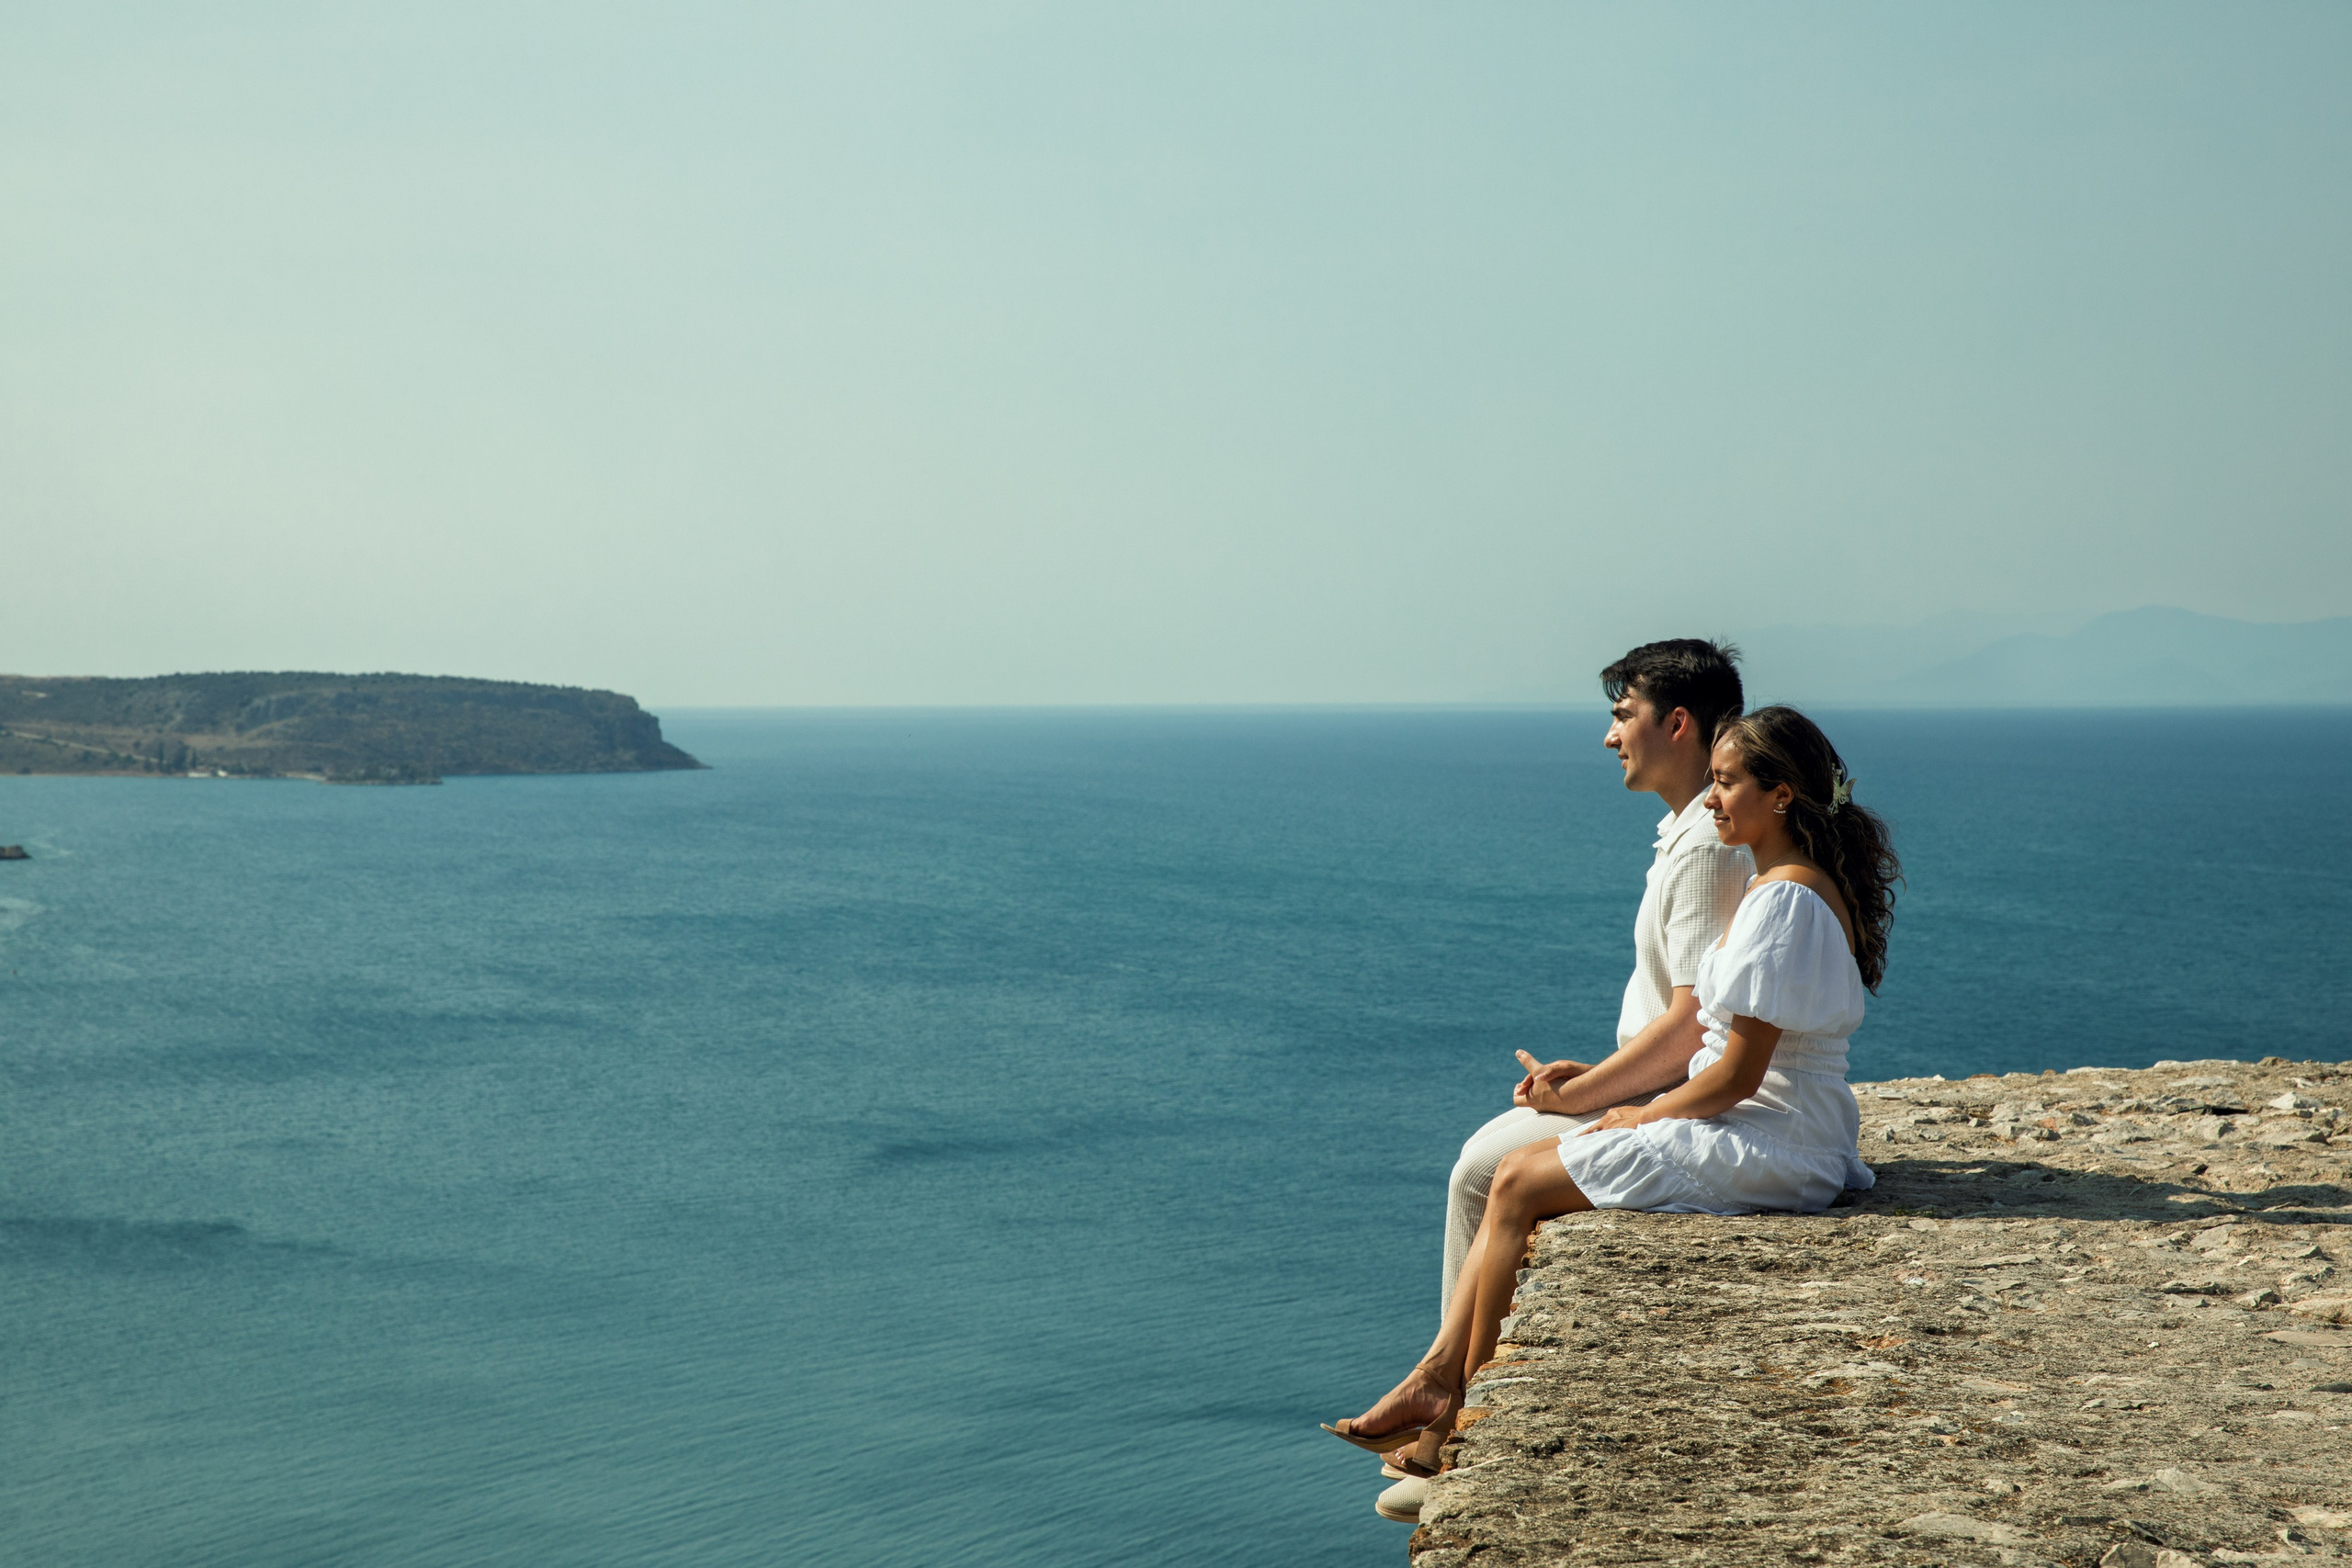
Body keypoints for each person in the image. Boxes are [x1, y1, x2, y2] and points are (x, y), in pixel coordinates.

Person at [1329, 705, 1900, 1482]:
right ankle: (1444, 1389)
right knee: (1517, 1177)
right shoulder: (1784, 886)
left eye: (1728, 783)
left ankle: (1456, 1410)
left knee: (1518, 1180)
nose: (1711, 797)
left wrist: (1641, 1112)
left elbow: (1737, 1073)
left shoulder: (1786, 900)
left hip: (1776, 1133)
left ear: (1782, 796)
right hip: (1780, 1122)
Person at [1445, 638, 1752, 1317]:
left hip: (1673, 1103)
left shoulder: (1707, 846)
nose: (1609, 735)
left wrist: (1582, 1092)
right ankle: (1446, 1392)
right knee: (1483, 1158)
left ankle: (1449, 1397)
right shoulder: (1693, 831)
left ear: (1676, 723)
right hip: (1656, 1082)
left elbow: (1695, 1021)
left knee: (1477, 1174)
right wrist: (1598, 1073)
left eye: (1623, 714)